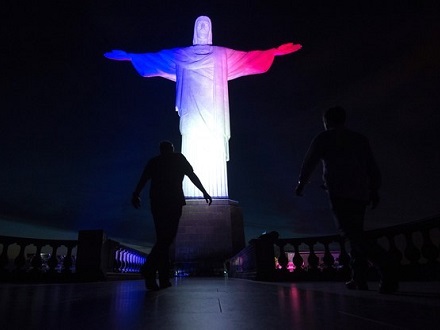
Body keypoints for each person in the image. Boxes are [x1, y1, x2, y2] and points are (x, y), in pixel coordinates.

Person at [105, 16, 302, 199]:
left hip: (214, 113)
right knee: (192, 147)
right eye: (199, 25)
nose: (202, 28)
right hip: (191, 112)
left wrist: (274, 52)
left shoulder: (221, 54)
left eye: (205, 25)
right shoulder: (182, 54)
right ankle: (193, 195)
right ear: (194, 30)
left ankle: (214, 194)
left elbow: (247, 59)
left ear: (210, 30)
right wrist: (131, 57)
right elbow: (156, 59)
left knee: (212, 150)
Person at [295, 106, 399, 293]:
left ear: (326, 121)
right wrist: (374, 190)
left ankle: (386, 265)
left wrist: (302, 183)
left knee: (351, 233)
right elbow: (371, 166)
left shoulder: (324, 138)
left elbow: (310, 161)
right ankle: (358, 277)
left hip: (339, 193)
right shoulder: (359, 139)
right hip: (360, 193)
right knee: (356, 232)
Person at [132, 140, 212, 290]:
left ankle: (161, 278)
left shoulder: (154, 161)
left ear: (161, 150)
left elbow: (143, 178)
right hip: (173, 201)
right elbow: (191, 175)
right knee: (167, 238)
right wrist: (204, 191)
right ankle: (149, 269)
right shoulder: (178, 158)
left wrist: (136, 193)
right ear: (172, 149)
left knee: (163, 238)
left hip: (157, 201)